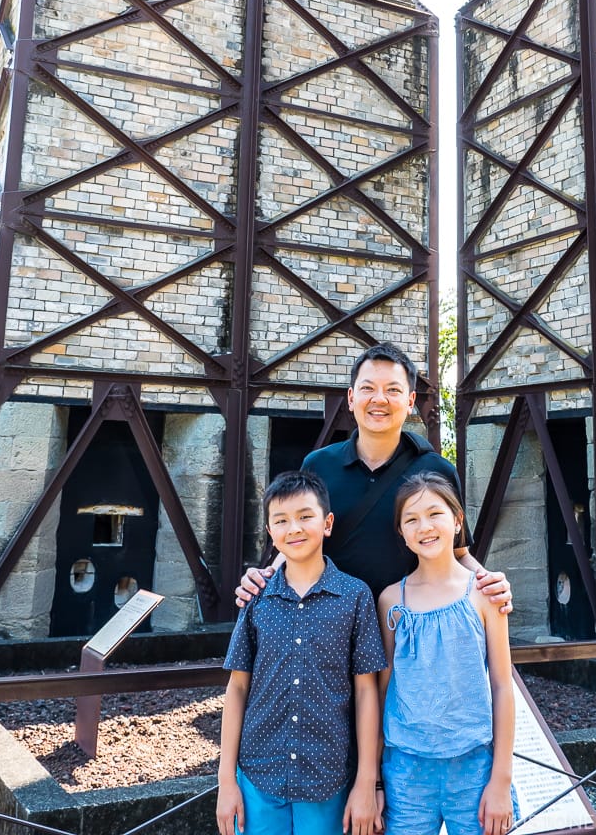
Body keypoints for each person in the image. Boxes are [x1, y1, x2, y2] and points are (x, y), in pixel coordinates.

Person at [236, 342, 513, 607]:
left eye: (393, 390)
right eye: (368, 388)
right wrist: (264, 577)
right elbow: (297, 540)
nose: (379, 399)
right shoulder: (318, 465)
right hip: (332, 625)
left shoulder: (437, 470)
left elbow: (457, 552)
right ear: (351, 397)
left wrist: (490, 583)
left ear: (410, 401)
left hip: (409, 622)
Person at [217, 470, 385, 835]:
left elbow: (366, 691)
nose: (294, 528)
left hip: (327, 776)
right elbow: (237, 688)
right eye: (281, 520)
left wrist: (366, 783)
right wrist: (226, 779)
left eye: (305, 517)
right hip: (259, 774)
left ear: (327, 523)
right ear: (270, 531)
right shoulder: (257, 598)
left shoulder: (355, 597)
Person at [377, 471, 516, 835]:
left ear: (457, 521)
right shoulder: (392, 600)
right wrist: (374, 781)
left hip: (474, 767)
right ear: (402, 534)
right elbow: (382, 689)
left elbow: (502, 684)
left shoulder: (485, 594)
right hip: (406, 770)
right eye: (411, 519)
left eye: (435, 514)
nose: (425, 526)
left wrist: (501, 779)